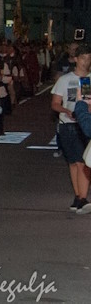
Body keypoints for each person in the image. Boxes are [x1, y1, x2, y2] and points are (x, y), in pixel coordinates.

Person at [50, 43, 91, 213]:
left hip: (85, 125)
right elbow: (55, 103)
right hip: (68, 125)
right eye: (83, 58)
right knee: (73, 163)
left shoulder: (89, 79)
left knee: (83, 162)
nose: (86, 61)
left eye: (89, 58)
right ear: (75, 59)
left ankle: (82, 197)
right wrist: (66, 110)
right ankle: (78, 195)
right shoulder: (65, 80)